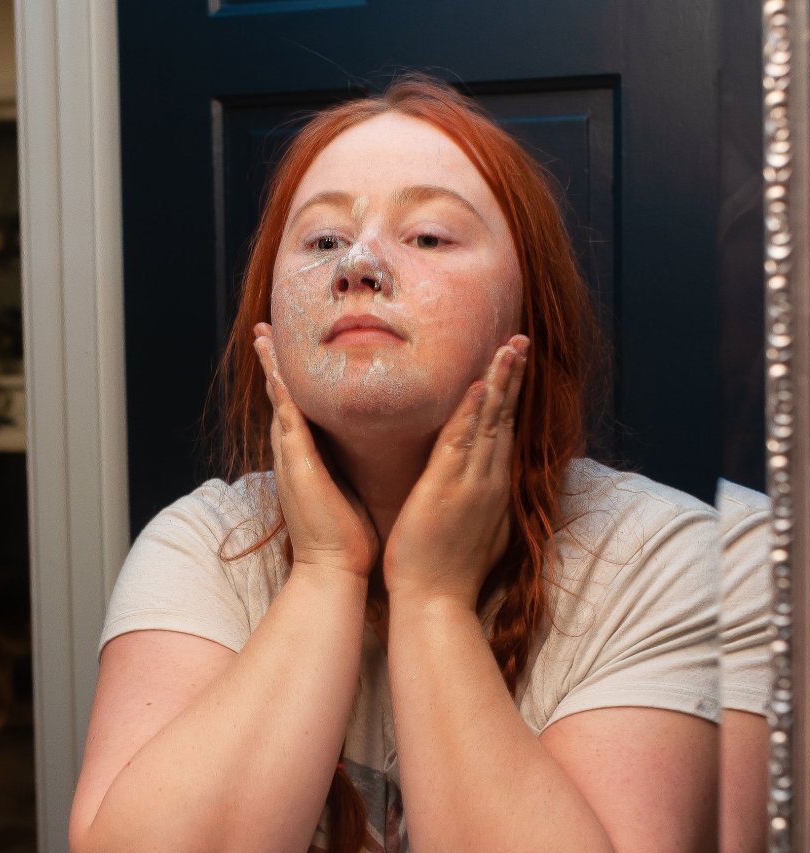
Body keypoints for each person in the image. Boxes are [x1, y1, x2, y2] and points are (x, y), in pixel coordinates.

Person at [68, 76, 721, 853]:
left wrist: (434, 599)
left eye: (429, 237)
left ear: (529, 313)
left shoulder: (664, 557)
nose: (359, 264)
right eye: (321, 241)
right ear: (265, 323)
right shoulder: (203, 546)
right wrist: (323, 570)